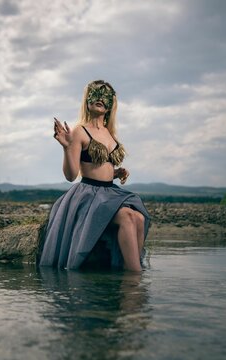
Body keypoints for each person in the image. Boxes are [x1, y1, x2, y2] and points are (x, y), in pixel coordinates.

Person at [38, 80, 151, 272]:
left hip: (109, 192)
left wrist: (115, 173)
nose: (100, 98)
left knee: (139, 218)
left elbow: (100, 166)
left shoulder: (110, 134)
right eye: (96, 93)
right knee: (128, 217)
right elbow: (71, 174)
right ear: (87, 100)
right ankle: (135, 276)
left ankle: (129, 267)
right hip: (89, 195)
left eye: (105, 95)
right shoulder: (79, 131)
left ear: (110, 105)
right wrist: (66, 148)